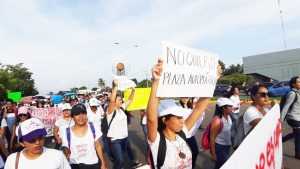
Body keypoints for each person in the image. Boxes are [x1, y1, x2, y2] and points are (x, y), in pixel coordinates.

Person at [147, 58, 221, 168]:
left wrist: (212, 81)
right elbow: (151, 119)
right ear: (165, 120)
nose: (183, 121)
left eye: (182, 117)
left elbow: (199, 109)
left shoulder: (182, 134)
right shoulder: (157, 141)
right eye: (178, 118)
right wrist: (156, 82)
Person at [4, 118, 71, 169]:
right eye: (31, 140)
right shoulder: (12, 160)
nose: (38, 142)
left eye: (40, 138)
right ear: (22, 143)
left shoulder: (58, 156)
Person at [106, 81, 142, 169]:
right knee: (120, 160)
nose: (121, 100)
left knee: (121, 157)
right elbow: (111, 100)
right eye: (119, 99)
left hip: (124, 138)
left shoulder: (122, 108)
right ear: (114, 102)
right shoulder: (110, 111)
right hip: (115, 140)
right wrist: (116, 87)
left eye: (121, 99)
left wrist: (133, 91)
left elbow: (130, 100)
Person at [62, 104, 106, 169]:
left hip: (93, 164)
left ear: (86, 115)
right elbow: (66, 152)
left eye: (83, 113)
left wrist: (103, 163)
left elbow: (98, 147)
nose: (81, 116)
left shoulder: (93, 128)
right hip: (75, 165)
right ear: (73, 117)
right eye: (77, 114)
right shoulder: (66, 132)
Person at [179, 97, 203, 169]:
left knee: (195, 151)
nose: (184, 99)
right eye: (183, 97)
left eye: (186, 97)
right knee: (181, 154)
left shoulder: (191, 108)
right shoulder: (178, 107)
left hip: (189, 134)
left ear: (189, 98)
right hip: (180, 134)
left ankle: (192, 166)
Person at [210, 98, 234, 169]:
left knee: (220, 165)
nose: (232, 108)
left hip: (227, 146)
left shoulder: (229, 117)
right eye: (230, 106)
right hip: (220, 147)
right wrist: (213, 153)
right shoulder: (217, 120)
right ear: (224, 108)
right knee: (223, 164)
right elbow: (212, 137)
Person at [281, 76, 300, 160]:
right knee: (298, 133)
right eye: (298, 82)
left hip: (298, 117)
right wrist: (280, 120)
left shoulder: (298, 92)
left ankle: (279, 141)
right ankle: (298, 153)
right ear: (293, 84)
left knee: (297, 134)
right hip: (292, 117)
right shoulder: (292, 93)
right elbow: (286, 106)